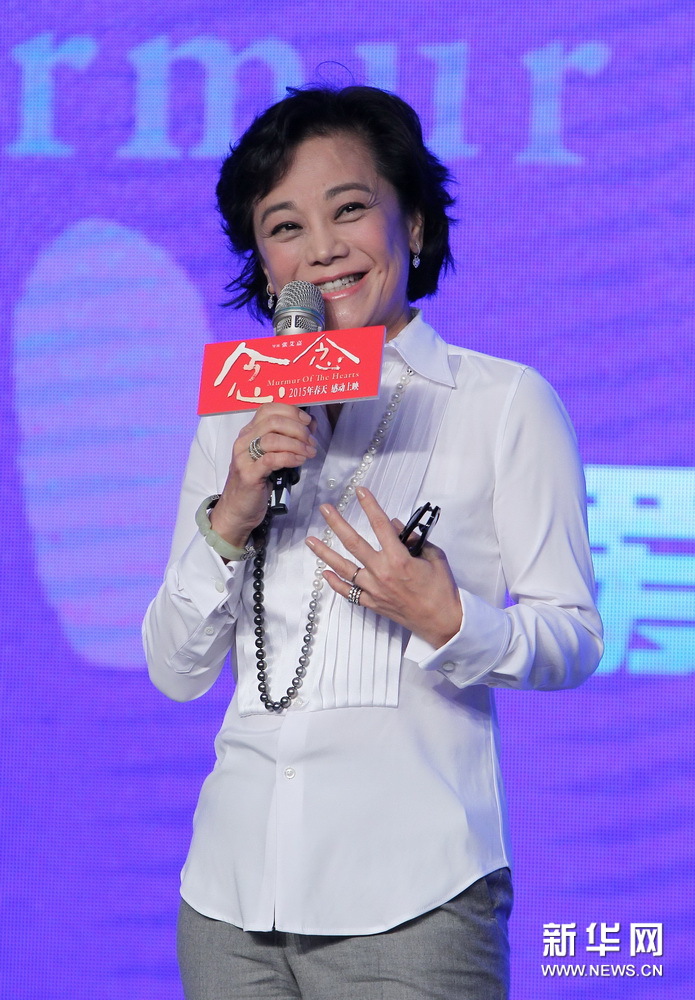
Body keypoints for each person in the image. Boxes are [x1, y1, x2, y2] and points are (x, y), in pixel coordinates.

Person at [143, 85, 603, 1000]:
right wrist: (231, 515)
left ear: (415, 225)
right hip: (229, 900)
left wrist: (449, 619)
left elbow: (574, 639)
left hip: (413, 901)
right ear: (265, 268)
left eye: (349, 208)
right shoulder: (236, 419)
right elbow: (174, 669)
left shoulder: (500, 403)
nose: (321, 247)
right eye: (284, 227)